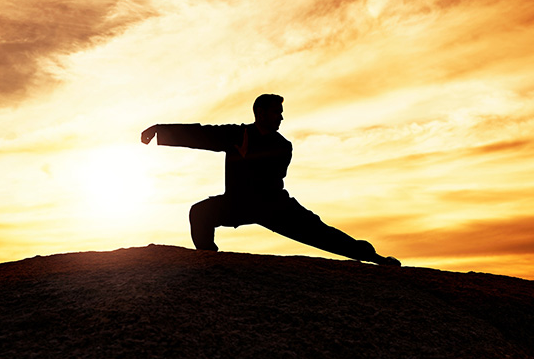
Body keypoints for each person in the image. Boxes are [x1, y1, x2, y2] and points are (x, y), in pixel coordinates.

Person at [141, 94, 400, 266]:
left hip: (274, 206)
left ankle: (374, 258)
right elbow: (201, 134)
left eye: (281, 112)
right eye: (277, 112)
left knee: (322, 234)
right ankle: (210, 260)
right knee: (200, 213)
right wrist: (159, 130)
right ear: (260, 113)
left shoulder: (282, 145)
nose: (281, 117)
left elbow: (269, 175)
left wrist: (246, 154)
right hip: (238, 204)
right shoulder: (238, 134)